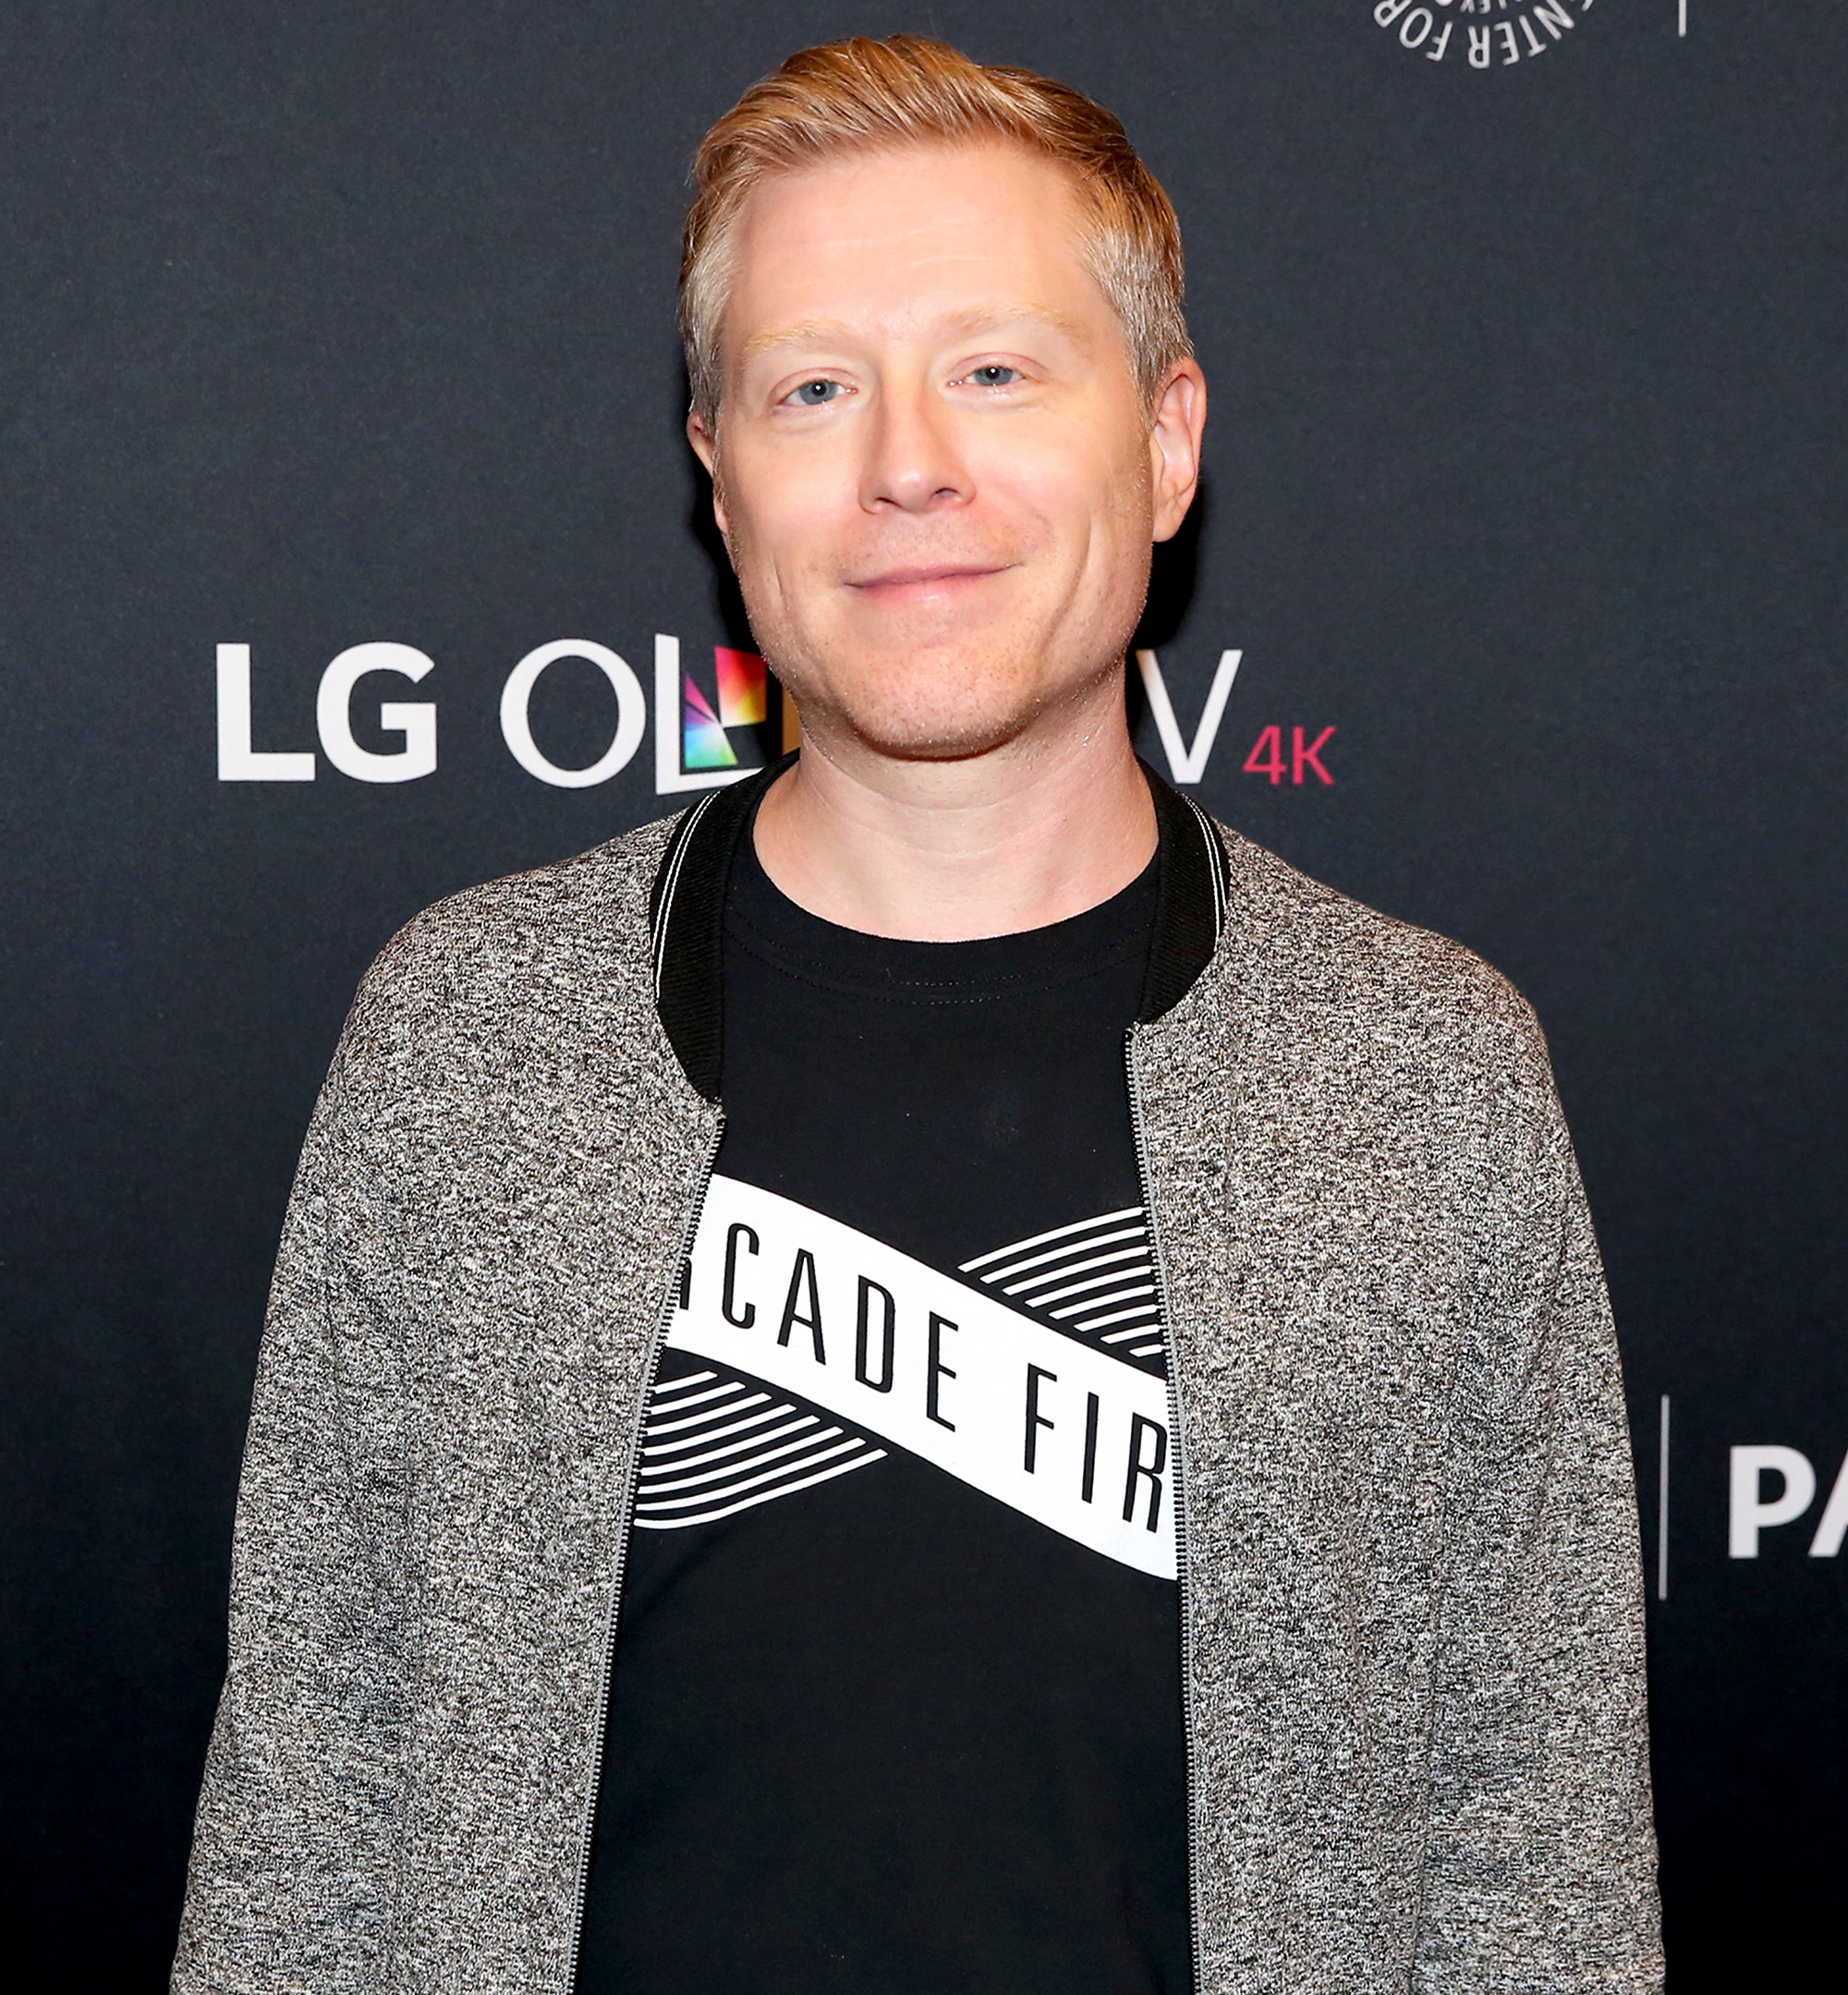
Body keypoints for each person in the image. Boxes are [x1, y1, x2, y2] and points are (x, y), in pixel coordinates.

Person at [173, 34, 1661, 1995]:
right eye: (812, 388)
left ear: (1166, 434)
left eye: (993, 367)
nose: (905, 465)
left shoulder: (1425, 1069)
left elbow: (1532, 1849)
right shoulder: (469, 1033)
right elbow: (309, 1799)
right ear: (721, 475)